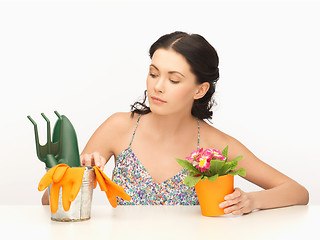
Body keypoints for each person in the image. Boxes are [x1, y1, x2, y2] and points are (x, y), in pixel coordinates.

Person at [42, 31, 309, 214]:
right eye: (153, 73)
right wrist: (82, 176)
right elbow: (49, 203)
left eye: (174, 79)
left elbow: (297, 192)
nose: (157, 87)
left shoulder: (215, 144)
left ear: (199, 90)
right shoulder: (119, 128)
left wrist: (250, 201)